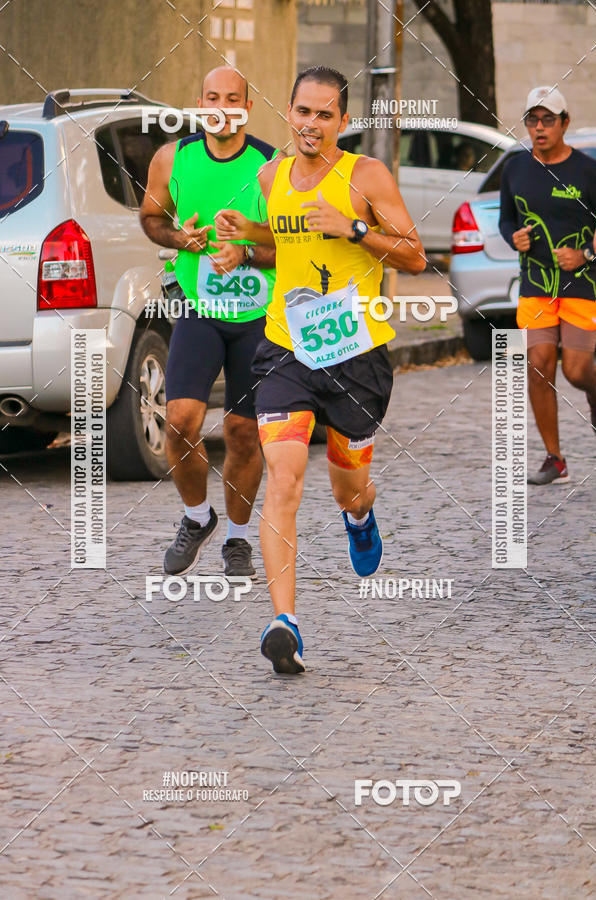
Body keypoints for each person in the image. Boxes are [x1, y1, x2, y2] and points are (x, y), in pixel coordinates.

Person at [216, 66, 425, 674]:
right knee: (283, 480)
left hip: (355, 358)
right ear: (288, 112)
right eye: (302, 112)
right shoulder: (269, 173)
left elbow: (414, 255)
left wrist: (355, 229)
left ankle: (359, 515)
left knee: (346, 485)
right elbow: (283, 242)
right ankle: (286, 623)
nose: (310, 124)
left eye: (324, 115)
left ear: (344, 121)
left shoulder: (365, 175)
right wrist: (242, 242)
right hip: (284, 350)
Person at [140, 67, 280, 577]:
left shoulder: (271, 166)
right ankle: (197, 518)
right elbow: (152, 218)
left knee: (244, 433)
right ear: (200, 103)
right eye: (213, 97)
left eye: (233, 98)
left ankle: (238, 541)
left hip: (258, 317)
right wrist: (181, 238)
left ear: (247, 105)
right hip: (199, 311)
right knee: (179, 421)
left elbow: (289, 242)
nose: (222, 106)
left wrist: (245, 254)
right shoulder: (173, 158)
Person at [499, 86, 596, 485]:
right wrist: (514, 238)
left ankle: (595, 392)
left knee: (576, 370)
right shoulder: (515, 168)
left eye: (548, 120)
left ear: (564, 124)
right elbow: (507, 220)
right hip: (536, 283)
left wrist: (587, 256)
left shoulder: (588, 171)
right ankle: (554, 459)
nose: (539, 129)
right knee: (539, 365)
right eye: (532, 120)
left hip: (581, 283)